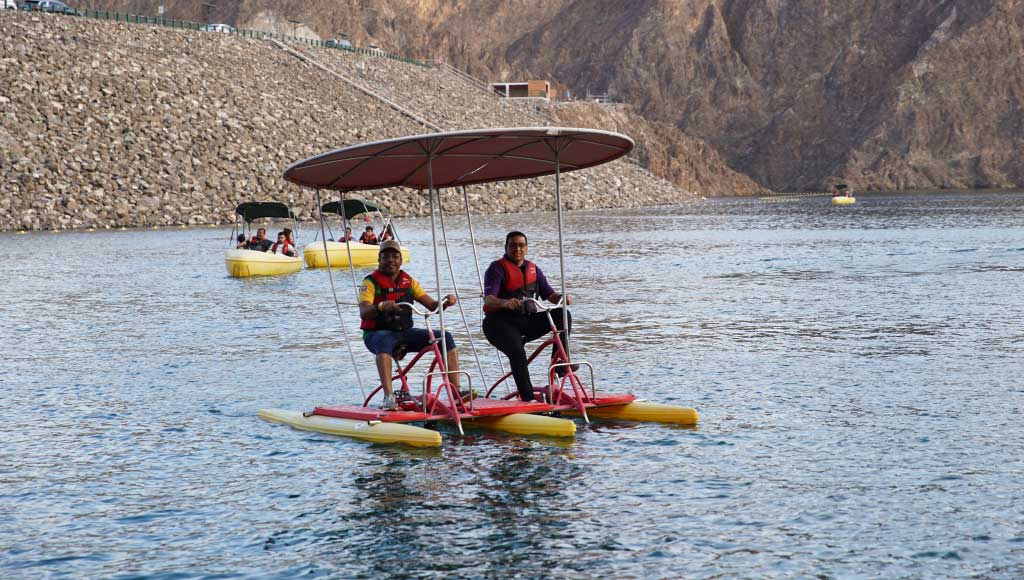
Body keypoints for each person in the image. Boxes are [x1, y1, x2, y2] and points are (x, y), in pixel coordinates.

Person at [359, 240, 463, 410]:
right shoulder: (370, 282)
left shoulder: (410, 282)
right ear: (379, 260)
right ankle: (389, 397)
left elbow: (432, 306)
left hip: (405, 333)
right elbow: (364, 312)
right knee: (384, 341)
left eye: (395, 256)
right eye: (386, 257)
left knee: (446, 337)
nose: (390, 260)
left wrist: (446, 302)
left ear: (401, 259)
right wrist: (381, 306)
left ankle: (456, 392)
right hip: (376, 334)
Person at [482, 231, 574, 402]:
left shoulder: (534, 269)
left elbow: (550, 295)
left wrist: (563, 298)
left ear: (526, 248)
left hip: (526, 321)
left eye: (521, 245)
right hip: (499, 324)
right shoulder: (496, 269)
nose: (517, 249)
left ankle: (560, 365)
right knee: (518, 353)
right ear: (506, 247)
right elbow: (489, 298)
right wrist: (504, 303)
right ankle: (528, 398)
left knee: (563, 315)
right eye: (513, 245)